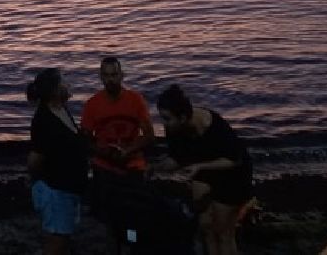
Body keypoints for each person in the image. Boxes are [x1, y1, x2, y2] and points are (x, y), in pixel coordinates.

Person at [155, 84, 253, 255]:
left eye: (167, 118)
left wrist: (199, 166)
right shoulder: (174, 128)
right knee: (206, 227)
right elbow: (177, 158)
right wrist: (155, 167)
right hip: (204, 171)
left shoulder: (212, 126)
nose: (164, 123)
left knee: (223, 233)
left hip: (233, 174)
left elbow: (234, 160)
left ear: (183, 117)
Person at [80, 56, 155, 242]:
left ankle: (132, 243)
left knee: (135, 214)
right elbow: (85, 139)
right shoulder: (92, 104)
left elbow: (149, 135)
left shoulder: (136, 100)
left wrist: (128, 150)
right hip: (105, 167)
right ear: (100, 77)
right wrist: (103, 152)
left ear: (122, 76)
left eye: (114, 75)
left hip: (133, 165)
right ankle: (116, 243)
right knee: (110, 216)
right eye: (106, 75)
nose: (110, 79)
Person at [26, 67, 89, 255]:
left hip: (68, 190)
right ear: (54, 91)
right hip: (56, 191)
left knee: (63, 237)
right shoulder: (43, 120)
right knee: (57, 241)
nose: (68, 84)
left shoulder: (61, 109)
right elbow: (34, 160)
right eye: (63, 82)